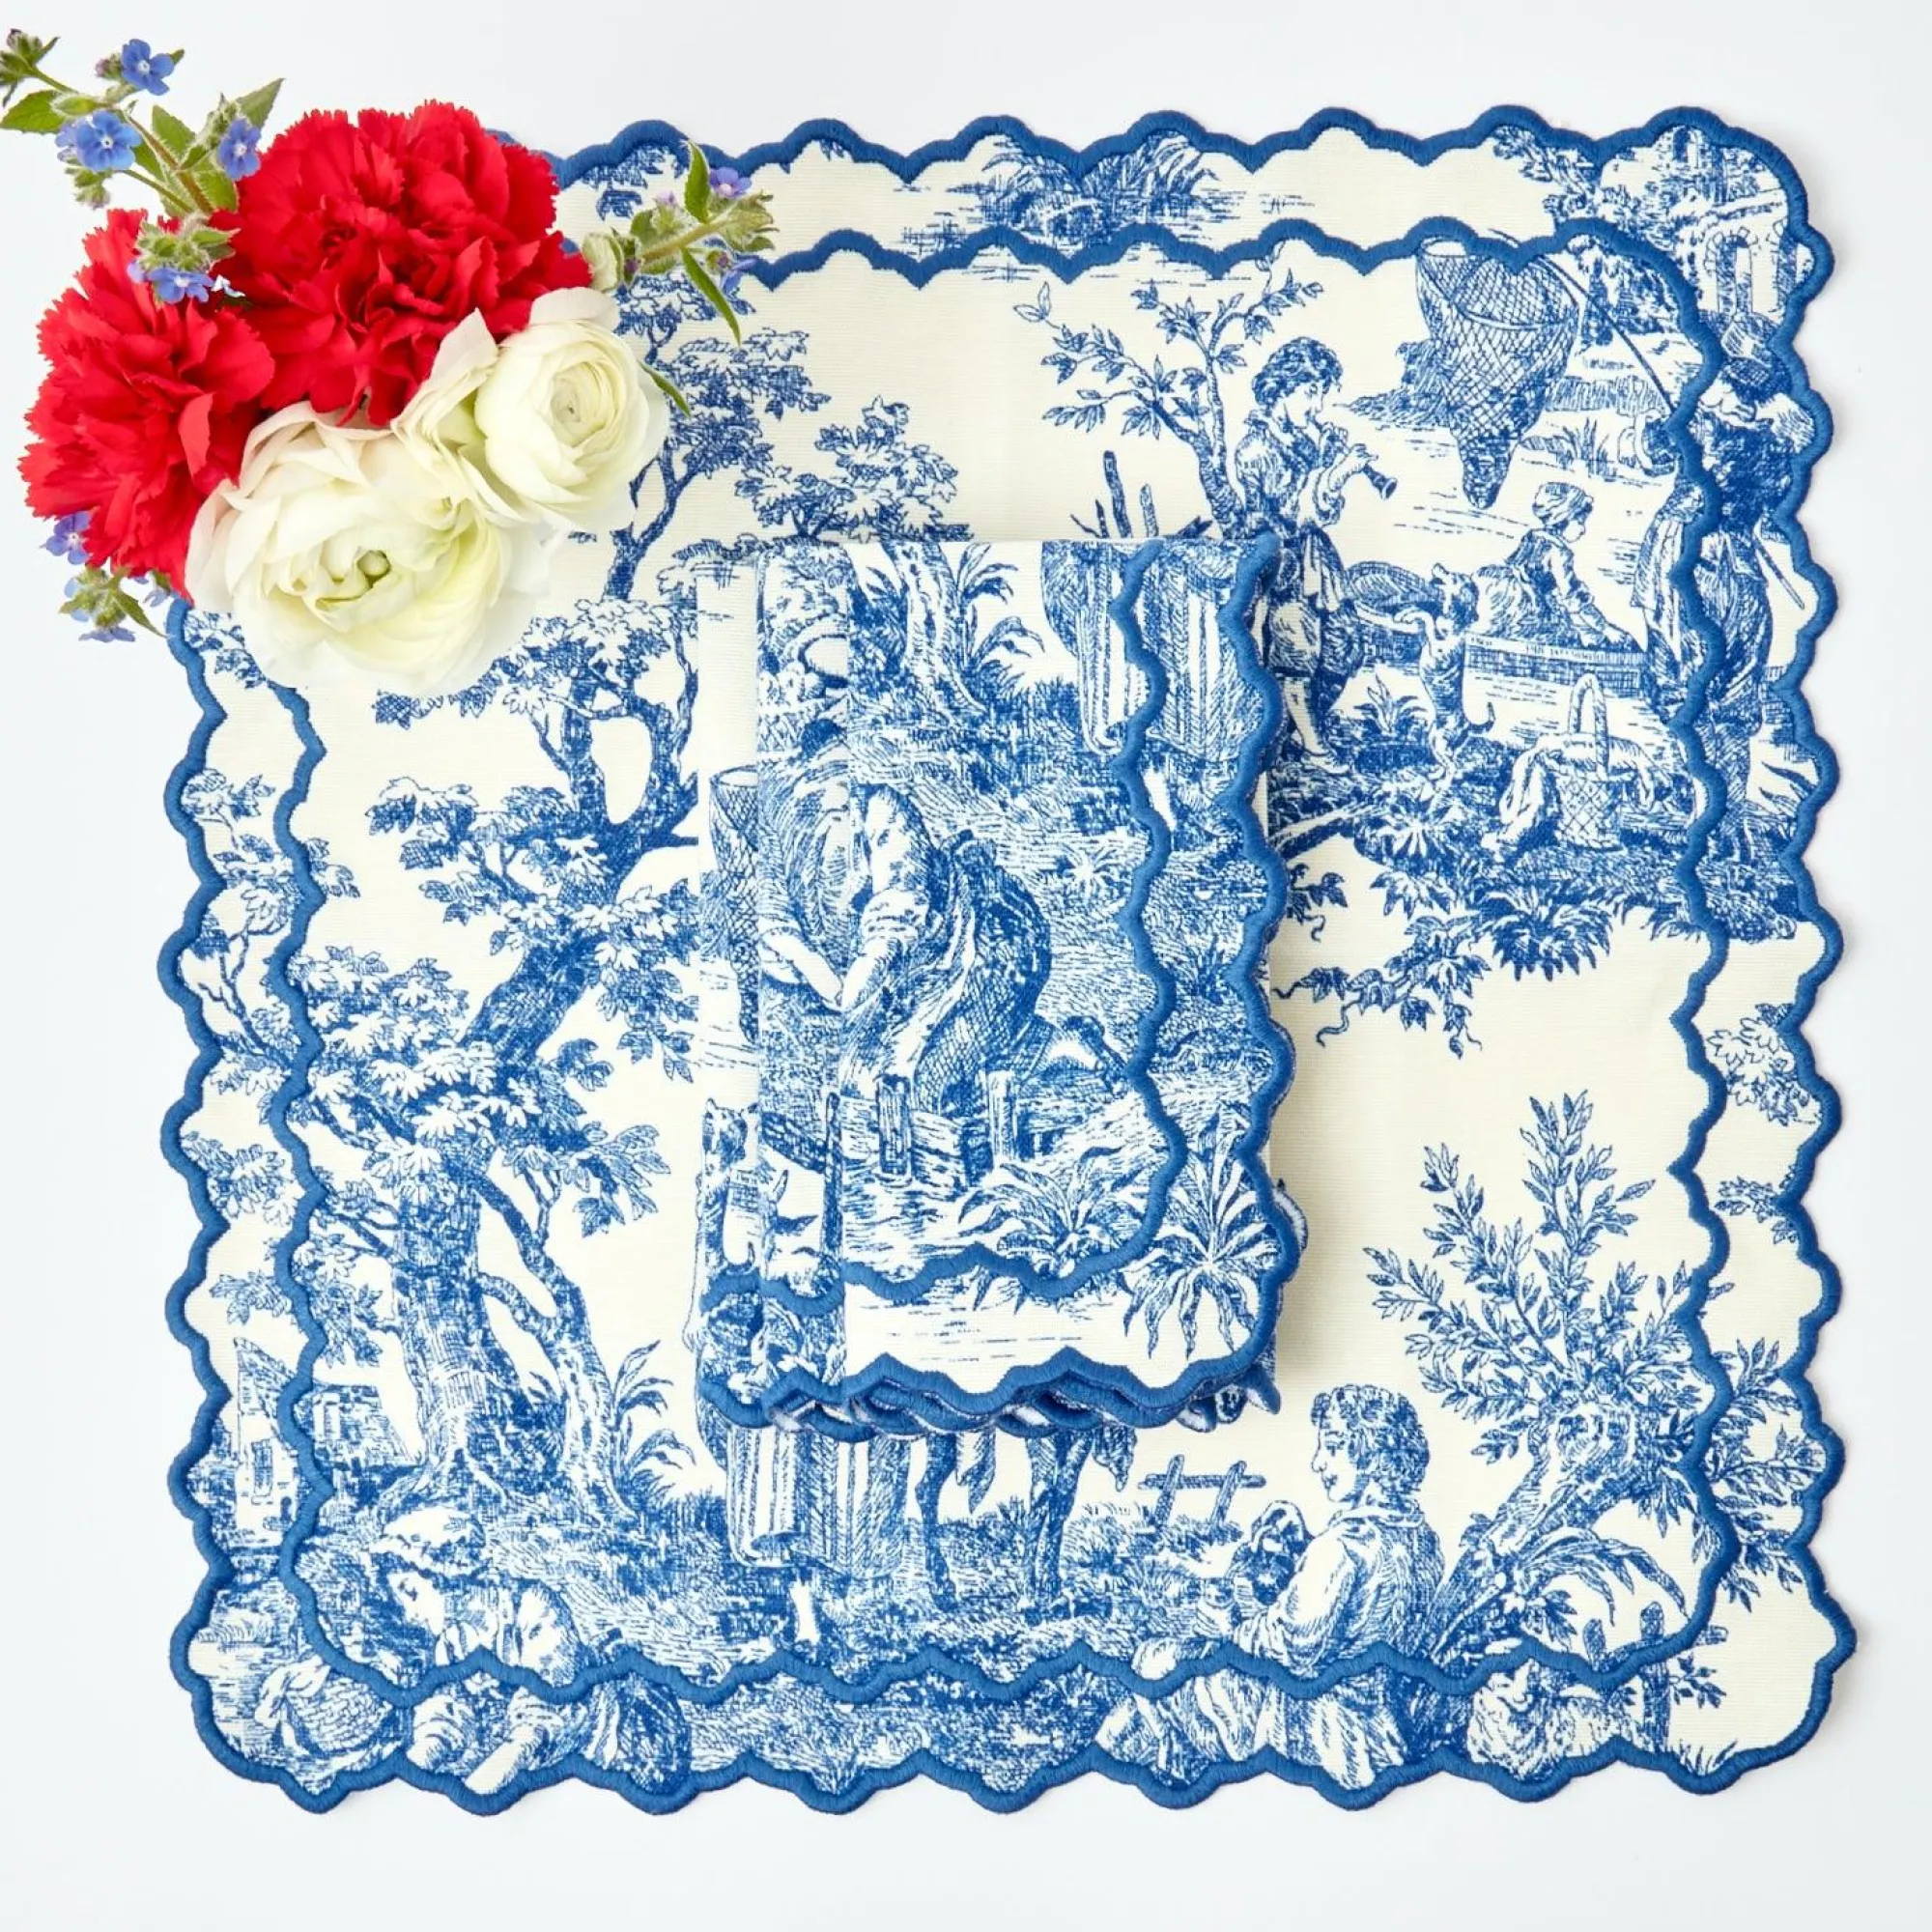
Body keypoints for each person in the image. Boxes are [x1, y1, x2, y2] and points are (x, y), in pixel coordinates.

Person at [1098, 1383, 1442, 1790]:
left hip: (1316, 1728)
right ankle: (1134, 1764)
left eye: (1333, 1447)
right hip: (1383, 1721)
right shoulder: (1422, 1539)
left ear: (1372, 1455)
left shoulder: (1340, 1549)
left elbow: (1288, 1646)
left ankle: (1123, 1766)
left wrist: (1227, 1623)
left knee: (1156, 1660)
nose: (1318, 1462)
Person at [371, 1505, 688, 1797]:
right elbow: (445, 1716)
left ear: (447, 1576)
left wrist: (474, 1794)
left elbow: (539, 1725)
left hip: (608, 1738)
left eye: (410, 1592)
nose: (409, 1613)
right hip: (526, 1756)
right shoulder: (453, 1639)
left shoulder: (534, 1608)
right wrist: (409, 1779)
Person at [1233, 337, 1390, 758]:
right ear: (1281, 389)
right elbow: (1292, 512)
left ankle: (1298, 728)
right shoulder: (1255, 449)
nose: (1317, 406)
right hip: (1281, 563)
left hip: (1316, 561)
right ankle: (1311, 745)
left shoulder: (1303, 439)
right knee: (1297, 654)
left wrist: (1331, 462)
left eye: (1321, 393)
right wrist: (1337, 472)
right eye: (1310, 392)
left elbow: (1325, 514)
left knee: (1345, 644)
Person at [1480, 481, 1637, 656]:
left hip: (1517, 607)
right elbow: (1573, 598)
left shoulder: (1532, 537)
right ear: (1562, 519)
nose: (1583, 529)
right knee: (1596, 640)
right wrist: (1606, 628)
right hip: (1536, 615)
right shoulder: (1559, 552)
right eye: (1580, 521)